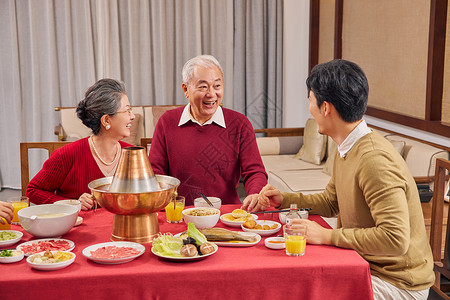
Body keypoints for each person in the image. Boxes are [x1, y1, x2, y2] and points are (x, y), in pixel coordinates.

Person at [243, 59, 434, 299]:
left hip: (397, 281)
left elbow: (395, 239)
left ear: (326, 108)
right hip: (365, 264)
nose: (309, 109)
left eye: (310, 101)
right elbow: (332, 201)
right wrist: (283, 199)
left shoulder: (374, 159)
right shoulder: (348, 145)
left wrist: (326, 235)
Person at [149, 54, 267, 206]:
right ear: (186, 89)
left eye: (217, 86)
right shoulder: (167, 121)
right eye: (203, 86)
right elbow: (155, 172)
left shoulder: (239, 123)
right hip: (180, 212)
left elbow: (255, 171)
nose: (211, 94)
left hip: (226, 213)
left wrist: (255, 194)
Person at [26, 78, 135, 210]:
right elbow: (33, 191)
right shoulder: (67, 155)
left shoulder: (133, 154)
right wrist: (72, 204)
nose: (132, 116)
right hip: (81, 230)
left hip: (123, 229)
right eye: (127, 110)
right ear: (106, 120)